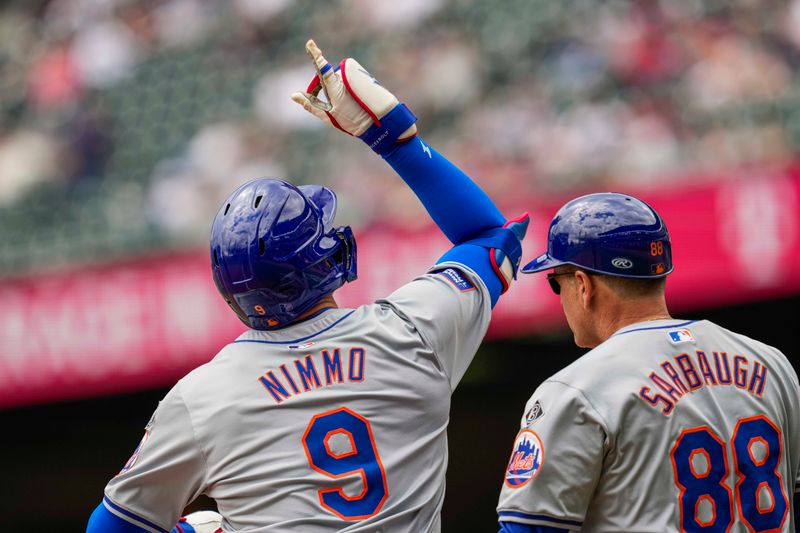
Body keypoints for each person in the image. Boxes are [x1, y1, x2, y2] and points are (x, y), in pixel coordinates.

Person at [86, 39, 528, 532]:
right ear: (323, 262)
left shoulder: (200, 398)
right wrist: (393, 139)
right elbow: (493, 236)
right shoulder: (412, 329)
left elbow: (111, 528)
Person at [496, 192, 800, 532]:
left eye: (557, 283)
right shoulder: (771, 363)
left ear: (583, 285)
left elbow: (528, 529)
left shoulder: (576, 390)